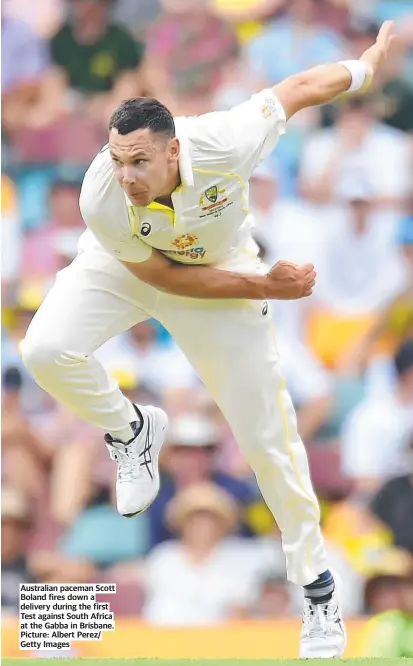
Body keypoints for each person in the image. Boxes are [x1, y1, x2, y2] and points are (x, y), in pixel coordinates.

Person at [21, 21, 395, 658]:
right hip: (134, 267)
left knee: (269, 443)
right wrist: (264, 289)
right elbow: (165, 281)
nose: (129, 175)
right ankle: (131, 431)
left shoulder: (226, 139)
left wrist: (367, 66)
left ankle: (318, 594)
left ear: (173, 151)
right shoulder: (102, 197)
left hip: (222, 268)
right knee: (43, 351)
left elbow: (302, 86)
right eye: (118, 160)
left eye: (141, 161)